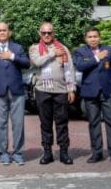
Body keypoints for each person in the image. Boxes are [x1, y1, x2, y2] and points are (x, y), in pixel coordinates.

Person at [74, 27, 111, 165]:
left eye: (95, 36)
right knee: (93, 123)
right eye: (90, 37)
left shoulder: (109, 50)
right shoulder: (80, 52)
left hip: (108, 93)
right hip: (90, 93)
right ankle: (97, 153)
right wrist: (97, 58)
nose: (93, 39)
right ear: (86, 39)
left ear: (99, 37)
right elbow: (80, 66)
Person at [29, 21, 76, 165]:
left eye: (49, 32)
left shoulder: (63, 48)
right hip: (43, 90)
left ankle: (64, 153)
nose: (47, 35)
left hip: (61, 90)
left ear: (53, 33)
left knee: (62, 123)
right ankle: (47, 153)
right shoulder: (34, 48)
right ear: (40, 34)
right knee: (45, 123)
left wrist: (71, 88)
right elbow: (37, 62)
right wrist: (52, 53)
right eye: (44, 33)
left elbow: (69, 69)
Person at [0, 22, 31, 166]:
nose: (2, 32)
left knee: (18, 123)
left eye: (5, 30)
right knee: (0, 124)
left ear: (9, 32)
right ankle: (3, 153)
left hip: (17, 91)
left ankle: (17, 152)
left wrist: (12, 57)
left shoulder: (17, 48)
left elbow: (26, 63)